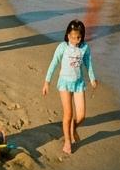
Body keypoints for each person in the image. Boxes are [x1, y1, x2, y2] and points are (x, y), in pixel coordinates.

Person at [42, 19, 98, 156]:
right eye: (72, 37)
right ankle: (67, 141)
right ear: (67, 35)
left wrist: (92, 78)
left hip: (78, 83)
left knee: (81, 115)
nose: (75, 40)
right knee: (68, 114)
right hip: (65, 84)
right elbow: (54, 63)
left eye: (78, 37)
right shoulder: (63, 47)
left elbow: (88, 63)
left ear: (82, 36)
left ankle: (73, 128)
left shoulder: (85, 48)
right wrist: (47, 82)